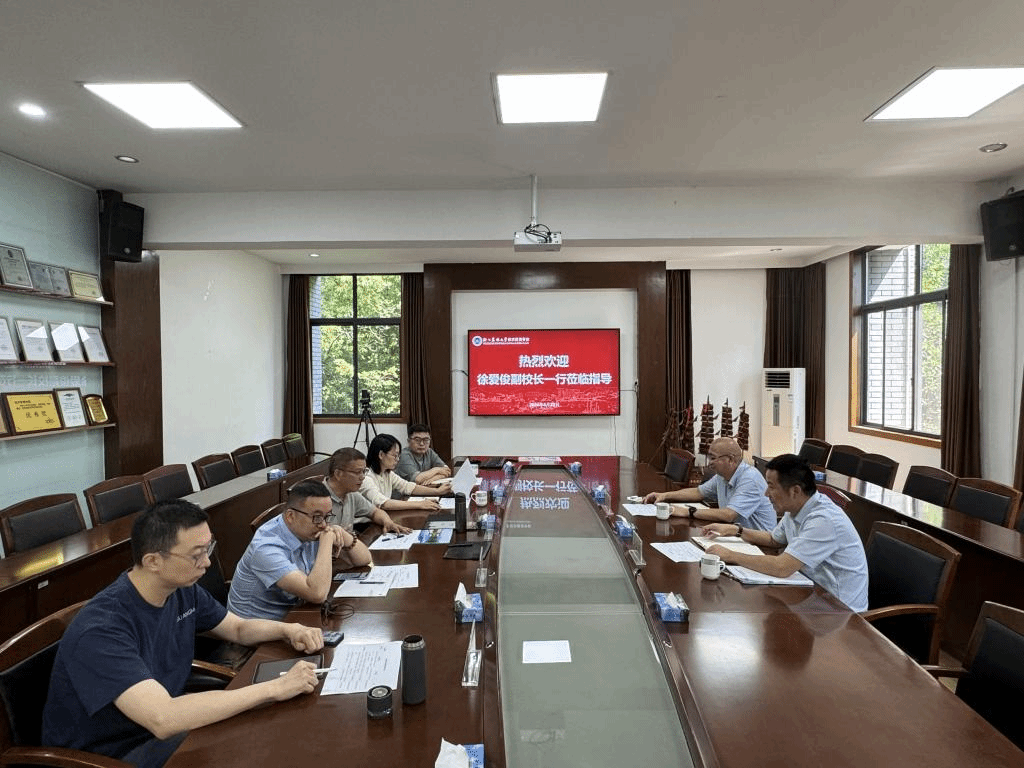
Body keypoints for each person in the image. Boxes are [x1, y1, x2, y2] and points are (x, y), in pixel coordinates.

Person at [42, 500, 324, 768]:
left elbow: (237, 628)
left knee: (266, 733)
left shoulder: (180, 590)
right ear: (153, 561)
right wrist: (275, 688)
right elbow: (163, 718)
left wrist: (288, 629)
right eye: (196, 554)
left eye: (208, 548)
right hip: (114, 753)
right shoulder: (102, 628)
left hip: (161, 729)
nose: (207, 563)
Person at [701, 453, 869, 612]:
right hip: (812, 596)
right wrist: (735, 530)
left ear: (795, 491)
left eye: (771, 486)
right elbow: (774, 540)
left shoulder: (824, 520)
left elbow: (782, 567)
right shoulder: (796, 507)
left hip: (841, 613)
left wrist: (730, 555)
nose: (766, 493)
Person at [227, 480, 372, 620]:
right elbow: (317, 594)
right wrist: (327, 542)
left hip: (296, 614)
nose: (324, 525)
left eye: (327, 516)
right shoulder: (266, 548)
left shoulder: (308, 527)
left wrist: (341, 533)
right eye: (317, 517)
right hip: (258, 629)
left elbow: (364, 559)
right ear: (290, 516)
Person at [643, 437, 776, 530]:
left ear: (730, 460)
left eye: (713, 458)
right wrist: (665, 495)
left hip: (760, 546)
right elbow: (698, 492)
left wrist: (688, 512)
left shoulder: (750, 478)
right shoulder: (722, 476)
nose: (709, 462)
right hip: (735, 535)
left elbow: (729, 515)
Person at [324, 447, 413, 533]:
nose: (362, 477)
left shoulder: (351, 494)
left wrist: (387, 522)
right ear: (338, 474)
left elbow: (374, 512)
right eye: (357, 472)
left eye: (364, 471)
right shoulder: (319, 498)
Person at [360, 433, 448, 512]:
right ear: (381, 455)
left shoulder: (387, 473)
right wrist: (420, 504)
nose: (398, 459)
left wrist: (437, 491)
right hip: (366, 523)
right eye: (395, 455)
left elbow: (407, 486)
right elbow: (384, 504)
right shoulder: (365, 477)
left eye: (398, 455)